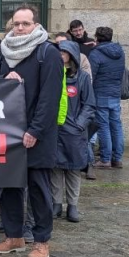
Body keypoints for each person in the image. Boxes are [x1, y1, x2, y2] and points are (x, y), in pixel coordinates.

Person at [0, 5, 62, 257]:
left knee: (39, 190)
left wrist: (35, 130)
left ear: (35, 25)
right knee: (9, 187)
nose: (19, 28)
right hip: (7, 133)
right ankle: (14, 236)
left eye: (25, 24)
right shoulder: (5, 51)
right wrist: (5, 78)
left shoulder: (47, 52)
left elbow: (50, 97)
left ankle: (41, 242)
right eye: (16, 23)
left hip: (36, 135)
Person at [53, 40, 96, 223]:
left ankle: (72, 205)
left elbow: (89, 104)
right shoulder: (53, 74)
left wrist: (79, 124)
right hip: (56, 130)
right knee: (54, 168)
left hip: (75, 132)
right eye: (59, 52)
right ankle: (55, 203)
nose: (60, 55)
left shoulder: (83, 78)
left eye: (64, 52)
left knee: (73, 169)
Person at [89, 26, 126, 169]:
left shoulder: (95, 54)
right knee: (116, 125)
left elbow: (91, 75)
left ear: (97, 38)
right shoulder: (120, 51)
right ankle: (117, 159)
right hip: (115, 93)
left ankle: (105, 159)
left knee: (103, 126)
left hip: (100, 93)